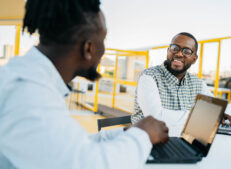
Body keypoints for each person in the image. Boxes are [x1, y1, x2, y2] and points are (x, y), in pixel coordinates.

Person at [0, 0, 169, 169]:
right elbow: (86, 164)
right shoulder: (28, 93)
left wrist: (129, 133)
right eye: (103, 39)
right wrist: (143, 135)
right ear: (89, 48)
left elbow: (70, 148)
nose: (104, 49)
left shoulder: (31, 80)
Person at [131, 32, 231, 136]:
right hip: (148, 143)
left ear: (194, 59)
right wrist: (204, 116)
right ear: (168, 51)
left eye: (186, 51)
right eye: (174, 48)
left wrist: (217, 114)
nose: (179, 54)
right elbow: (155, 118)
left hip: (184, 141)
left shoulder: (197, 83)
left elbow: (214, 108)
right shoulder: (149, 76)